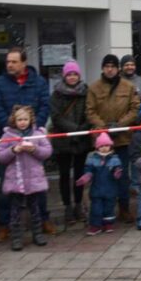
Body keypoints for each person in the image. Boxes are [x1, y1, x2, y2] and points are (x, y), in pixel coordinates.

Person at [0, 47, 52, 242]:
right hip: (10, 138)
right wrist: (11, 128)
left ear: (23, 63)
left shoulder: (39, 82)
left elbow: (45, 106)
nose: (9, 65)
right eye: (8, 61)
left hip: (33, 138)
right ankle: (4, 224)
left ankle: (42, 220)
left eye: (14, 61)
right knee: (6, 186)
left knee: (37, 184)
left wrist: (34, 129)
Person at [86, 54, 140, 224]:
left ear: (118, 68)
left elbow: (134, 108)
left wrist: (120, 125)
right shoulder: (94, 88)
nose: (110, 69)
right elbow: (90, 111)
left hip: (123, 138)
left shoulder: (128, 87)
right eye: (107, 66)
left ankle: (124, 208)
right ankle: (103, 210)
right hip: (102, 141)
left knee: (122, 175)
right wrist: (104, 128)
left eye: (113, 66)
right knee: (102, 176)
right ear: (103, 68)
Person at [0, 105, 52, 250]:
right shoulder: (7, 136)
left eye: (25, 119)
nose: (22, 122)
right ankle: (16, 237)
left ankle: (37, 234)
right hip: (16, 180)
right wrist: (13, 150)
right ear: (14, 120)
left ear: (30, 120)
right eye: (19, 119)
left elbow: (47, 152)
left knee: (35, 208)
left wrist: (34, 149)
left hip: (34, 179)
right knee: (15, 210)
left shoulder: (38, 134)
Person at [49, 61, 92, 224]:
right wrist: (75, 129)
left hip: (81, 139)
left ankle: (78, 205)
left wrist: (82, 129)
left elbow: (90, 112)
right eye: (69, 74)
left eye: (75, 74)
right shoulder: (56, 94)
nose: (72, 77)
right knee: (64, 175)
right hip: (63, 139)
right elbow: (56, 117)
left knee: (79, 174)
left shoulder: (86, 92)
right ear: (64, 76)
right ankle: (67, 206)